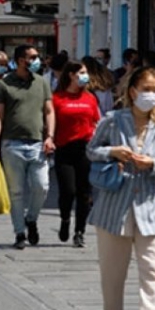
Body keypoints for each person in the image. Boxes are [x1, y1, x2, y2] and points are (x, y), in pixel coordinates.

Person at [86, 66, 155, 310]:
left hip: (152, 206)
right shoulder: (113, 120)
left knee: (153, 268)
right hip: (115, 206)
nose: (151, 95)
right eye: (146, 89)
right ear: (133, 90)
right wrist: (113, 152)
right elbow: (91, 151)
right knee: (113, 271)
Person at [0, 44, 55, 249]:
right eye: (33, 57)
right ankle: (19, 233)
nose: (38, 60)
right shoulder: (4, 84)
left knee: (41, 186)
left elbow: (49, 111)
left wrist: (50, 136)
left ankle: (31, 218)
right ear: (20, 60)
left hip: (37, 144)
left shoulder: (42, 83)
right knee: (16, 192)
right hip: (12, 144)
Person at [52, 62, 100, 247]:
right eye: (82, 72)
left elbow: (96, 121)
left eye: (86, 72)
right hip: (64, 149)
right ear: (71, 75)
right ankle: (65, 219)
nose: (85, 75)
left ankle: (80, 232)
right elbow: (50, 122)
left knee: (84, 193)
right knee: (68, 191)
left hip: (85, 149)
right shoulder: (57, 98)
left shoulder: (90, 98)